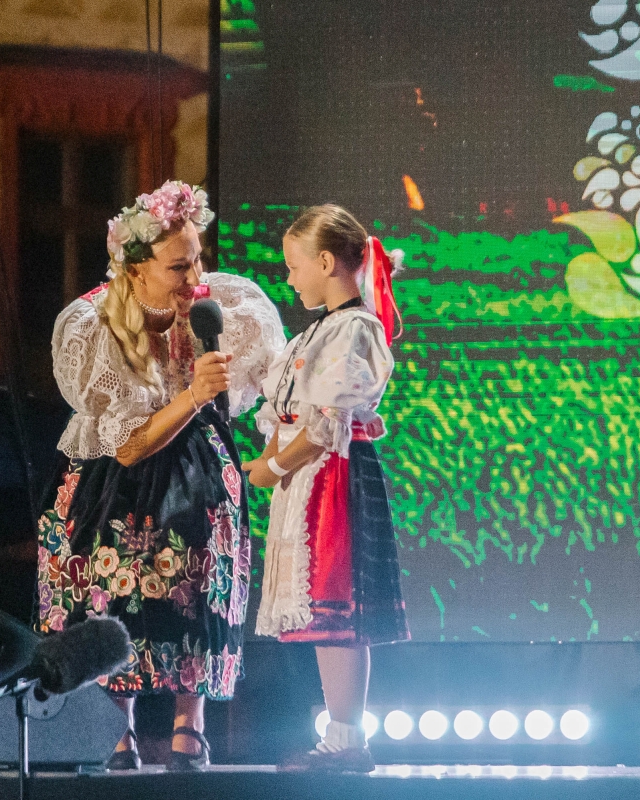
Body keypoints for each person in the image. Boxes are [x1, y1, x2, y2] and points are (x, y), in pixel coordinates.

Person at [37, 180, 285, 771]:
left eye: (197, 258)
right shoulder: (93, 325)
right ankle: (115, 730)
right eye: (178, 266)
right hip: (115, 475)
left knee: (197, 582)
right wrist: (194, 394)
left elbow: (278, 379)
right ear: (136, 268)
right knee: (109, 591)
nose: (194, 276)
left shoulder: (220, 307)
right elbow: (127, 446)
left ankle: (188, 729)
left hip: (196, 462)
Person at [243, 204, 410, 773]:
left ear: (324, 262)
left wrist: (274, 466)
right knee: (320, 613)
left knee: (337, 610)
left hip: (333, 476)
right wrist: (266, 460)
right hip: (308, 479)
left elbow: (324, 425)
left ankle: (347, 740)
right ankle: (340, 737)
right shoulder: (316, 332)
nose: (289, 278)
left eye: (294, 266)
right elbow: (288, 413)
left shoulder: (355, 328)